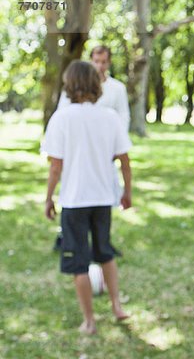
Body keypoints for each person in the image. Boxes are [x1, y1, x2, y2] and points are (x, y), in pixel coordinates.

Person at [42, 61, 132, 334]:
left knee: (79, 263)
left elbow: (55, 166)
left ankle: (89, 322)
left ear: (70, 85)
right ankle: (117, 307)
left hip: (74, 200)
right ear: (96, 84)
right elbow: (125, 161)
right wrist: (127, 192)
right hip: (103, 198)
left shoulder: (61, 118)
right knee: (105, 252)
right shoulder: (110, 118)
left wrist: (48, 198)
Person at [53, 44, 130, 252]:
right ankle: (68, 237)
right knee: (74, 190)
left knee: (104, 192)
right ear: (90, 60)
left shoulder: (117, 90)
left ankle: (101, 242)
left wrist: (114, 147)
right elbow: (62, 117)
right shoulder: (71, 94)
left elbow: (123, 119)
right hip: (77, 150)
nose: (100, 65)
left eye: (104, 61)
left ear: (109, 62)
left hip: (104, 150)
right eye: (96, 61)